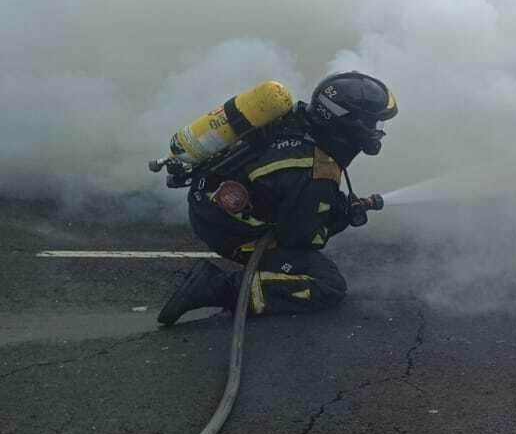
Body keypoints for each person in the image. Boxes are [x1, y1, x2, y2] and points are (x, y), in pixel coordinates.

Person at [157, 72, 397, 325]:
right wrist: (341, 217)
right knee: (327, 284)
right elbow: (300, 239)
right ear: (350, 124)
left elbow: (288, 184)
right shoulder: (317, 171)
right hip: (226, 227)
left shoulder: (299, 120)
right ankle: (217, 287)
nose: (377, 132)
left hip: (208, 197)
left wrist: (331, 205)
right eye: (374, 124)